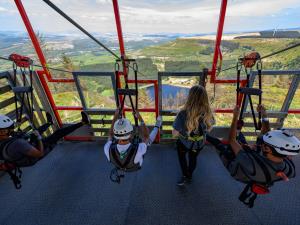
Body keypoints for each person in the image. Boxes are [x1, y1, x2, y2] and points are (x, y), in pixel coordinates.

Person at [207, 105, 300, 207]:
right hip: (258, 169)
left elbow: (231, 141)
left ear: (266, 149)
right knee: (242, 140)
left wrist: (235, 117)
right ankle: (239, 132)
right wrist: (264, 115)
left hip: (238, 168)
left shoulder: (249, 162)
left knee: (219, 144)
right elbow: (266, 136)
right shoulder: (288, 167)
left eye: (264, 144)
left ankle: (205, 135)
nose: (262, 142)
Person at [0, 111, 90, 169]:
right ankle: (83, 122)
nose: (12, 130)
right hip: (34, 155)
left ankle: (49, 123)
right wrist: (39, 138)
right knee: (57, 134)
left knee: (36, 131)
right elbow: (40, 154)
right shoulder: (18, 144)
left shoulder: (5, 140)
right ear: (2, 131)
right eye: (10, 128)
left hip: (22, 153)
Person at [172, 85, 214, 186]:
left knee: (182, 158)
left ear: (190, 97)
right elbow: (209, 129)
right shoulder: (208, 113)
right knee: (193, 158)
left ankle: (185, 175)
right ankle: (189, 175)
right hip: (199, 143)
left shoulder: (182, 114)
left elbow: (175, 134)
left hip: (184, 143)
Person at [104, 109, 162, 174]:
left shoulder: (108, 148)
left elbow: (110, 134)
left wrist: (115, 117)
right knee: (148, 142)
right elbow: (146, 136)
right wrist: (139, 118)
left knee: (144, 143)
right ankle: (157, 126)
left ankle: (157, 125)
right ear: (131, 134)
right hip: (135, 166)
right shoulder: (139, 149)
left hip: (120, 165)